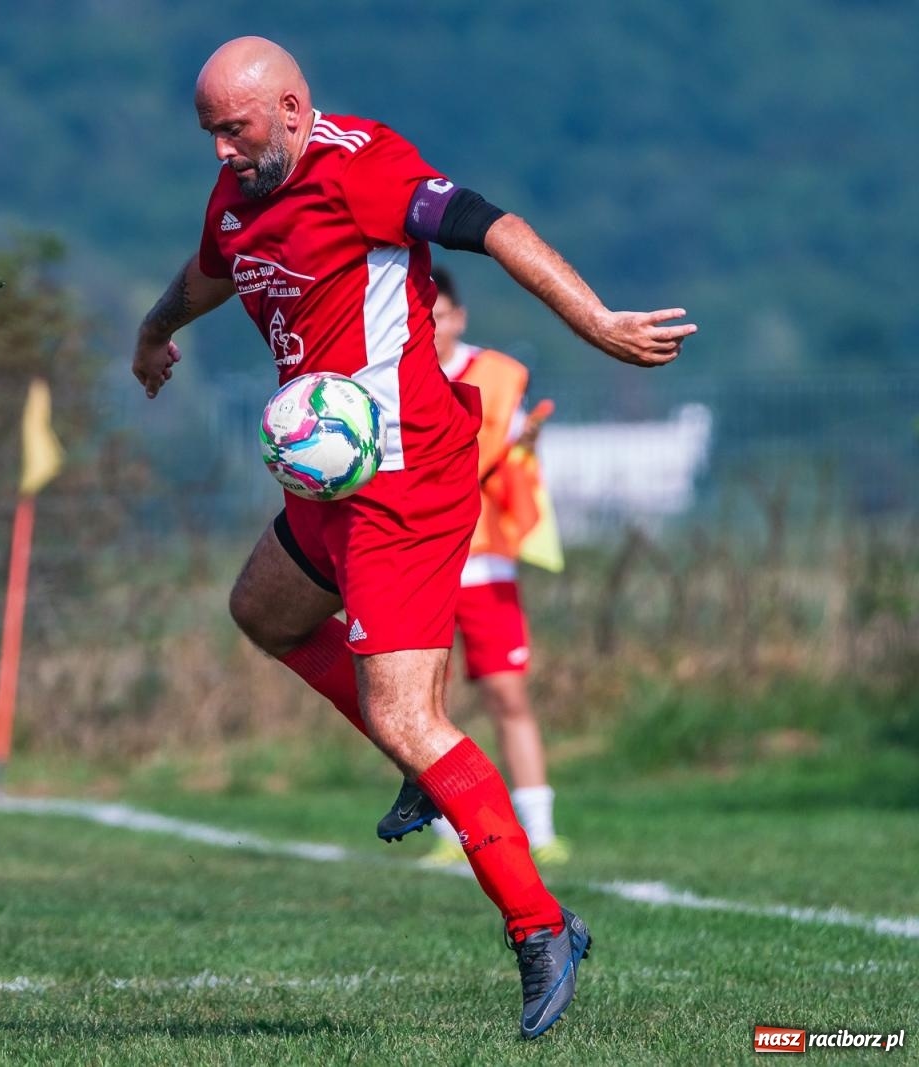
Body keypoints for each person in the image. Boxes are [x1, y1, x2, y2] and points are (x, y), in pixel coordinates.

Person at [130, 36, 694, 1039]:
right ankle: (424, 766)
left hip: (404, 475)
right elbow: (209, 272)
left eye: (237, 126)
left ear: (294, 108)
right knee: (262, 608)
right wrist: (152, 328)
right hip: (330, 474)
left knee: (410, 713)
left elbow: (493, 226)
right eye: (209, 132)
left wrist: (594, 320)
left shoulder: (361, 164)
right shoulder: (237, 196)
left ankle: (541, 924)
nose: (220, 148)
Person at [410, 265, 569, 868]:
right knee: (424, 705)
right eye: (420, 317)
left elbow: (516, 459)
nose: (432, 327)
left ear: (459, 317)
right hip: (418, 564)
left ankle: (541, 826)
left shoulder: (500, 376)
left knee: (508, 693)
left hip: (483, 559)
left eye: (441, 315)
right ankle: (451, 833)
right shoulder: (391, 376)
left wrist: (524, 448)